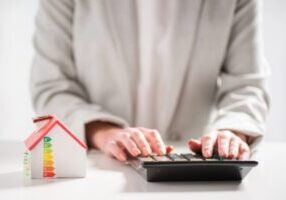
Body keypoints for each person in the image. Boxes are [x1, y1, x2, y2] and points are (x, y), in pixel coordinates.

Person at [30, 0, 269, 162]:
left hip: (192, 171)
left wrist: (232, 133)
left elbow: (246, 84)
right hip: (98, 166)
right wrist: (103, 132)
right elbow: (51, 86)